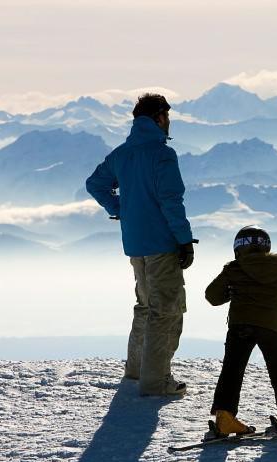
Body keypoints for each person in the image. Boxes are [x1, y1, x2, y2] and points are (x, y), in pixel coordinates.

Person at [86, 93, 195, 396]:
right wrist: (185, 241)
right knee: (167, 310)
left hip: (135, 243)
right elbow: (171, 201)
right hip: (162, 243)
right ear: (160, 118)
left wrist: (121, 208)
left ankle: (136, 370)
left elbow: (94, 184)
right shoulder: (161, 154)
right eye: (167, 118)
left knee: (145, 305)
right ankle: (155, 381)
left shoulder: (122, 154)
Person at [205, 226, 277, 435]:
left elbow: (212, 296)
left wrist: (232, 293)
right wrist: (272, 298)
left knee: (232, 370)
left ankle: (225, 418)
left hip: (239, 326)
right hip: (269, 327)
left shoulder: (233, 269)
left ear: (238, 248)